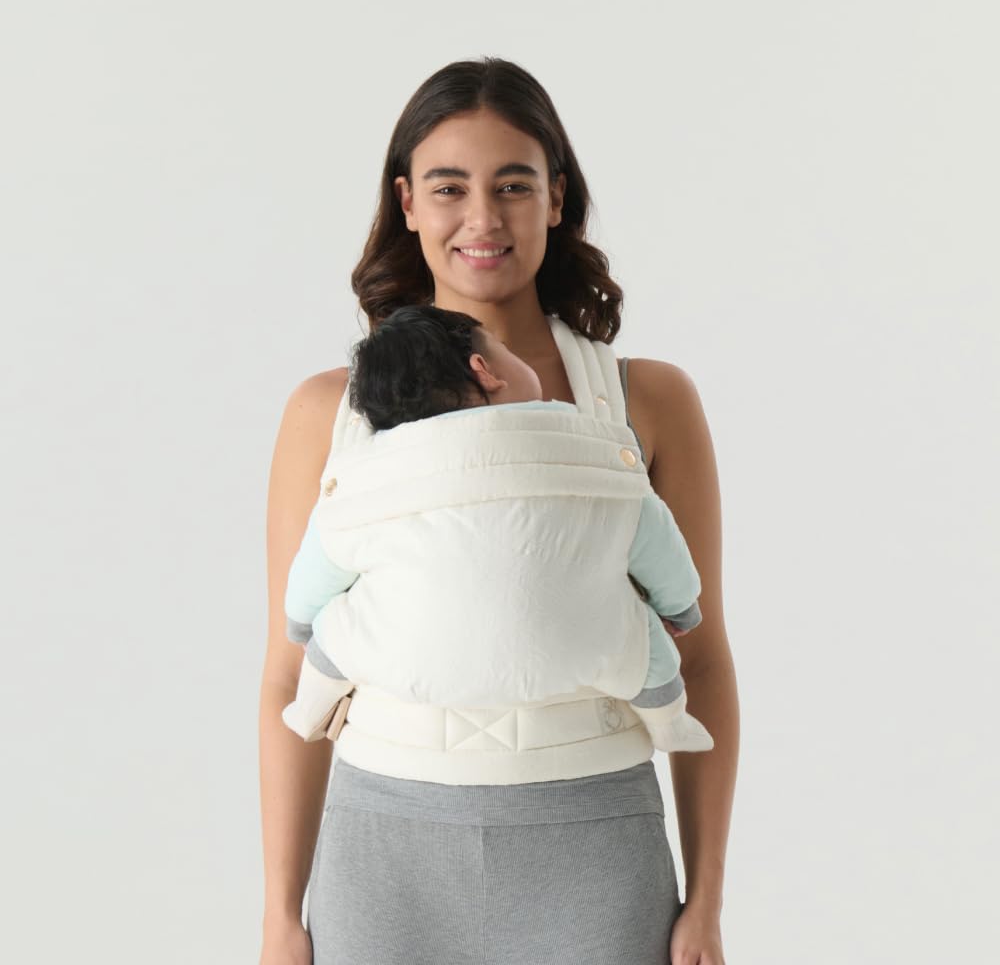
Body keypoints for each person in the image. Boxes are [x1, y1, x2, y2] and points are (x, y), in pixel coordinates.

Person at [259, 57, 738, 965]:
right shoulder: (328, 412)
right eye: (450, 187)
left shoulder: (649, 401)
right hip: (384, 853)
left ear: (557, 199)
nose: (483, 218)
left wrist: (706, 901)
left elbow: (702, 660)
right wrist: (282, 916)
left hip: (596, 842)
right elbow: (290, 676)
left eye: (513, 185)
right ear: (407, 203)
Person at [280, 303, 713, 755]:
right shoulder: (588, 443)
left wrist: (302, 620)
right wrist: (680, 606)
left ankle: (308, 709)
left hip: (402, 668)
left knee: (334, 638)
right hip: (579, 664)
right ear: (485, 371)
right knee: (646, 651)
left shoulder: (367, 475)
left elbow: (321, 558)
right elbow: (653, 537)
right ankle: (670, 724)